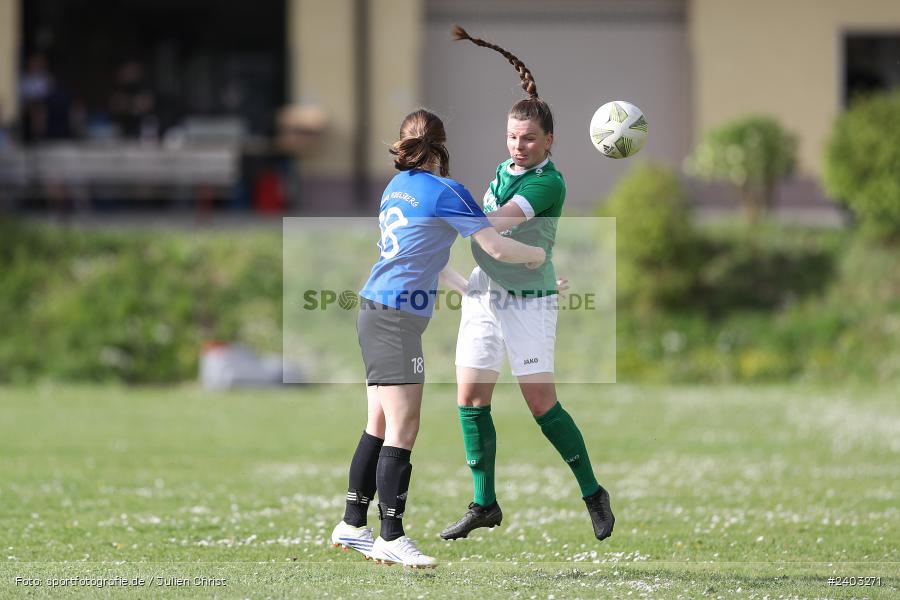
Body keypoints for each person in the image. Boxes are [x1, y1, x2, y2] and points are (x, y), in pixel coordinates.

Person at [330, 109, 546, 568]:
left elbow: (424, 254)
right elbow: (496, 246)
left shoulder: (396, 189)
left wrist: (467, 289)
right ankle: (391, 535)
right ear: (443, 146)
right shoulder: (449, 191)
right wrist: (536, 254)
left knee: (380, 425)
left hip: (375, 311)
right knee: (404, 428)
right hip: (394, 320)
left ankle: (352, 523)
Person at [439, 26, 615, 543]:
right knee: (470, 399)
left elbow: (496, 222)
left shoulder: (548, 181)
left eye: (529, 138)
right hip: (483, 296)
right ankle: (484, 503)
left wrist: (442, 208)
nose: (519, 145)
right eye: (513, 136)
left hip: (529, 303)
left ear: (549, 141)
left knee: (541, 403)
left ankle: (592, 492)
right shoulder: (504, 166)